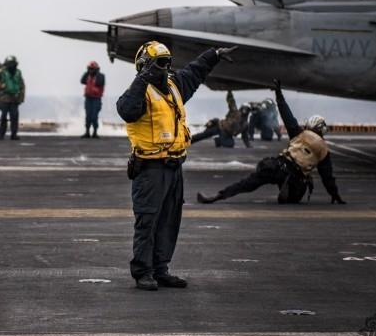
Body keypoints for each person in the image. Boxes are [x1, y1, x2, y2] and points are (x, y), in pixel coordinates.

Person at [118, 41, 237, 291]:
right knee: (147, 221)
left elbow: (194, 72)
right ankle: (143, 272)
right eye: (160, 63)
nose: (165, 68)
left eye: (167, 62)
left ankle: (161, 270)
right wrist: (142, 80)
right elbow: (127, 111)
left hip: (174, 168)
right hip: (150, 169)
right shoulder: (139, 92)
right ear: (145, 65)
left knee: (169, 221)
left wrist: (213, 55)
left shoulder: (174, 86)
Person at [197, 79, 345, 205]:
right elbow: (327, 177)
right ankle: (288, 190)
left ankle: (218, 195)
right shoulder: (324, 150)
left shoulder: (300, 133)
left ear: (310, 125)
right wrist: (335, 194)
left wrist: (278, 94)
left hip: (278, 166)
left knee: (247, 184)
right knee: (296, 194)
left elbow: (286, 114)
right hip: (296, 176)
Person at [0, 55, 25, 140]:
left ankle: (14, 134)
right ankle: (1, 134)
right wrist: (1, 85)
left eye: (12, 63)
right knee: (3, 116)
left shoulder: (18, 72)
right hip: (4, 97)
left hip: (15, 98)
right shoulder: (2, 72)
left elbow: (21, 85)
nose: (11, 65)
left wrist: (21, 98)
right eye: (9, 63)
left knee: (14, 116)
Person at [81, 61, 105, 138]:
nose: (91, 70)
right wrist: (87, 72)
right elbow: (82, 81)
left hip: (96, 99)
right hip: (88, 99)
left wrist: (96, 72)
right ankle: (87, 132)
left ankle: (95, 132)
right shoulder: (88, 76)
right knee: (88, 116)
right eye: (89, 69)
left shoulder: (100, 76)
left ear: (96, 69)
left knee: (94, 116)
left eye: (92, 69)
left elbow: (99, 82)